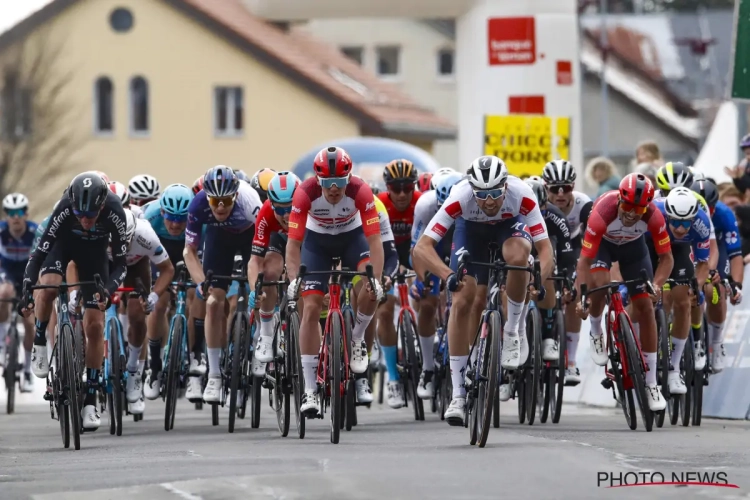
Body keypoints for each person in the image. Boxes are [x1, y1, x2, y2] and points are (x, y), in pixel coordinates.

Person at [413, 155, 554, 426]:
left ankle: (513, 330)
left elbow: (545, 250)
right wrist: (448, 275)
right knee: (463, 299)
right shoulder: (460, 196)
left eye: (494, 194)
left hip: (509, 228)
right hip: (471, 232)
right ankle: (458, 394)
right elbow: (423, 246)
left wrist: (538, 279)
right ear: (472, 189)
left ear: (505, 187)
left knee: (519, 258)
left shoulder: (521, 194)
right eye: (482, 195)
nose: (489, 201)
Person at [20, 172, 129, 430]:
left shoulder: (115, 211)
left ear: (102, 206)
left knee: (94, 325)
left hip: (94, 256)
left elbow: (122, 264)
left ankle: (91, 396)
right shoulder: (65, 208)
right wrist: (27, 285)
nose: (84, 219)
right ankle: (40, 342)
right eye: (79, 214)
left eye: (90, 216)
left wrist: (109, 289)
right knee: (47, 287)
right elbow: (40, 253)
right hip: (63, 247)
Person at [285, 146, 384, 416]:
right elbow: (293, 245)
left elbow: (375, 240)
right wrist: (295, 280)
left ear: (348, 178)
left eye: (339, 182)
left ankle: (357, 339)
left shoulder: (360, 191)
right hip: (316, 244)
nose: (334, 189)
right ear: (318, 180)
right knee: (311, 306)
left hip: (353, 239)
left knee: (370, 287)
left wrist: (375, 278)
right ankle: (309, 391)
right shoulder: (304, 193)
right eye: (328, 183)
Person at [575, 173, 673, 411]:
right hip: (603, 247)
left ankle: (651, 385)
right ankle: (597, 332)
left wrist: (657, 284)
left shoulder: (654, 216)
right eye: (627, 206)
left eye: (638, 210)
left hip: (633, 249)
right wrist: (582, 298)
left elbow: (667, 258)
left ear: (647, 207)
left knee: (646, 308)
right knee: (599, 282)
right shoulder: (602, 213)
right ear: (619, 199)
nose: (631, 214)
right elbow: (584, 263)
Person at [184, 166, 263, 403]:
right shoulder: (197, 205)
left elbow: (263, 249)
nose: (220, 206)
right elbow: (190, 251)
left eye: (226, 200)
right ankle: (215, 375)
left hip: (250, 238)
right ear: (207, 196)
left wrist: (258, 283)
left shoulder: (250, 204)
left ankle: (262, 340)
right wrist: (201, 284)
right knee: (212, 301)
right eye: (215, 200)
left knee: (260, 292)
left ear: (236, 196)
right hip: (219, 240)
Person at [405, 172, 463, 409]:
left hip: (461, 241)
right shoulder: (426, 205)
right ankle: (428, 368)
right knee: (428, 302)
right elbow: (417, 249)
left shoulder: (469, 200)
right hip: (433, 246)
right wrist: (421, 279)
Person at [647, 188, 711, 395]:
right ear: (667, 215)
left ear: (693, 218)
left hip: (679, 251)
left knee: (684, 302)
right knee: (654, 298)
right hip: (651, 246)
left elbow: (703, 264)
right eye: (675, 222)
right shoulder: (653, 213)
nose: (681, 228)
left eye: (686, 223)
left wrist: (698, 286)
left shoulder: (701, 223)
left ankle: (674, 370)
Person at [141, 184, 202, 400]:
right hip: (161, 251)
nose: (175, 224)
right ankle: (155, 367)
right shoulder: (150, 216)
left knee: (197, 294)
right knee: (158, 304)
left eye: (181, 218)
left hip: (190, 248)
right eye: (171, 217)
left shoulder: (198, 215)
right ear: (162, 212)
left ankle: (196, 359)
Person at [541, 159, 592, 384]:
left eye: (567, 188)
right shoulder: (538, 203)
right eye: (554, 189)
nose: (560, 194)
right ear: (545, 188)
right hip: (544, 244)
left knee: (575, 296)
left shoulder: (583, 204)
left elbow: (592, 242)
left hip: (572, 247)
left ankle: (570, 362)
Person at [248, 171, 301, 367]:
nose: (286, 215)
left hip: (302, 239)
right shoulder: (265, 213)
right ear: (271, 205)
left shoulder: (309, 208)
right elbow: (254, 261)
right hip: (278, 240)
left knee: (306, 278)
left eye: (291, 208)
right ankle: (267, 332)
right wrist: (255, 290)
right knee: (269, 272)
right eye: (280, 209)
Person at [690, 180, 744, 372]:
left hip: (716, 249)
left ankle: (717, 341)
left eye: (710, 208)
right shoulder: (685, 210)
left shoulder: (724, 214)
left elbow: (735, 253)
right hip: (691, 246)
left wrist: (736, 284)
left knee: (715, 289)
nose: (707, 212)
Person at [0, 193, 38, 392]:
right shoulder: (1, 230)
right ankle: (2, 342)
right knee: (4, 292)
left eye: (19, 212)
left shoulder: (34, 231)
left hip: (27, 274)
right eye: (11, 213)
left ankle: (27, 371)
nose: (15, 217)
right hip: (6, 272)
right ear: (6, 215)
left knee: (29, 320)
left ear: (26, 214)